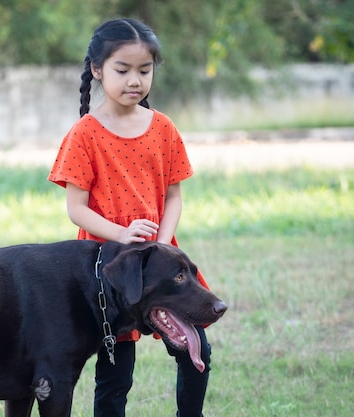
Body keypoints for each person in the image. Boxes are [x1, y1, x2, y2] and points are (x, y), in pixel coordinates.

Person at [48, 18, 213, 417]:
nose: (135, 80)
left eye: (145, 70)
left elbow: (174, 196)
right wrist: (123, 235)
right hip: (110, 268)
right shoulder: (84, 134)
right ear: (96, 70)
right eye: (123, 70)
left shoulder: (163, 128)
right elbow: (77, 209)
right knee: (115, 372)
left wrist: (161, 242)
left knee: (198, 348)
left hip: (159, 261)